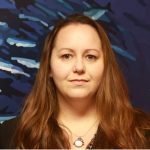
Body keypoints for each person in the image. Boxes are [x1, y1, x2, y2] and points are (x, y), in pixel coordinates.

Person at [0, 14, 150, 149]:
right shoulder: (10, 134)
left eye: (90, 56)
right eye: (66, 56)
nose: (79, 67)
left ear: (105, 66)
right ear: (49, 67)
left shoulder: (142, 133)